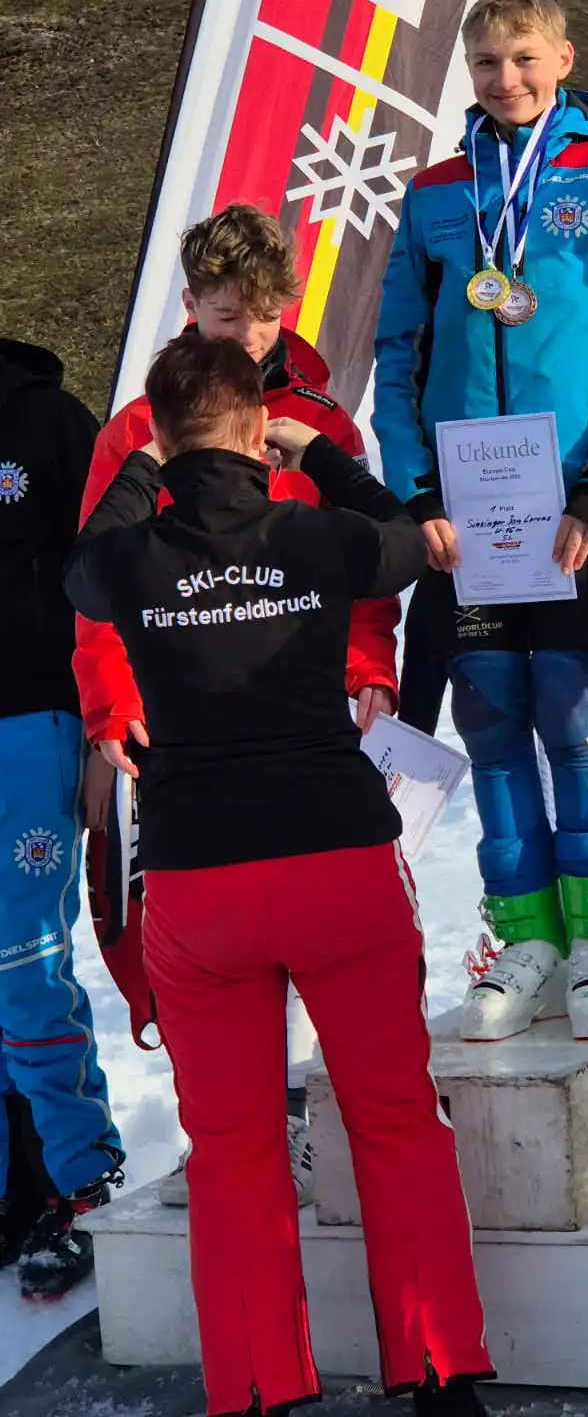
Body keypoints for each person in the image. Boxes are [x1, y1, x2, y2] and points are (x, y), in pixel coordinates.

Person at [65, 335, 491, 1417]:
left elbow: (80, 567)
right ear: (264, 431)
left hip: (203, 882)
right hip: (336, 863)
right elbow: (407, 539)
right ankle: (439, 1370)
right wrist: (323, 456)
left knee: (233, 1147)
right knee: (396, 1115)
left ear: (159, 439)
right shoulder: (313, 533)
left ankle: (258, 1387)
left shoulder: (135, 555)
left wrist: (149, 468)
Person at [374, 0, 588, 1042]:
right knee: (491, 712)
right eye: (486, 64)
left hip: (571, 511)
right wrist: (417, 491)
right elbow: (397, 356)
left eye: (523, 58)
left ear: (562, 57)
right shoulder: (435, 194)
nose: (504, 79)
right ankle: (526, 940)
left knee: (567, 706)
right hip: (467, 518)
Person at [76, 204, 400, 1205]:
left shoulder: (323, 423)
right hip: (183, 728)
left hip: (302, 723)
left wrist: (367, 669)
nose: (247, 339)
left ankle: (319, 1121)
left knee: (321, 931)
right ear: (190, 310)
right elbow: (99, 584)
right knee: (185, 945)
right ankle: (223, 1129)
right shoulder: (142, 428)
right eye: (226, 319)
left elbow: (364, 569)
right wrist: (110, 707)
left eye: (262, 317)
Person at [0, 337, 124, 1300]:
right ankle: (12, 1194)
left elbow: (106, 583)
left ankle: (79, 1183)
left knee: (26, 965)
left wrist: (98, 734)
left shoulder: (45, 417)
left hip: (32, 727)